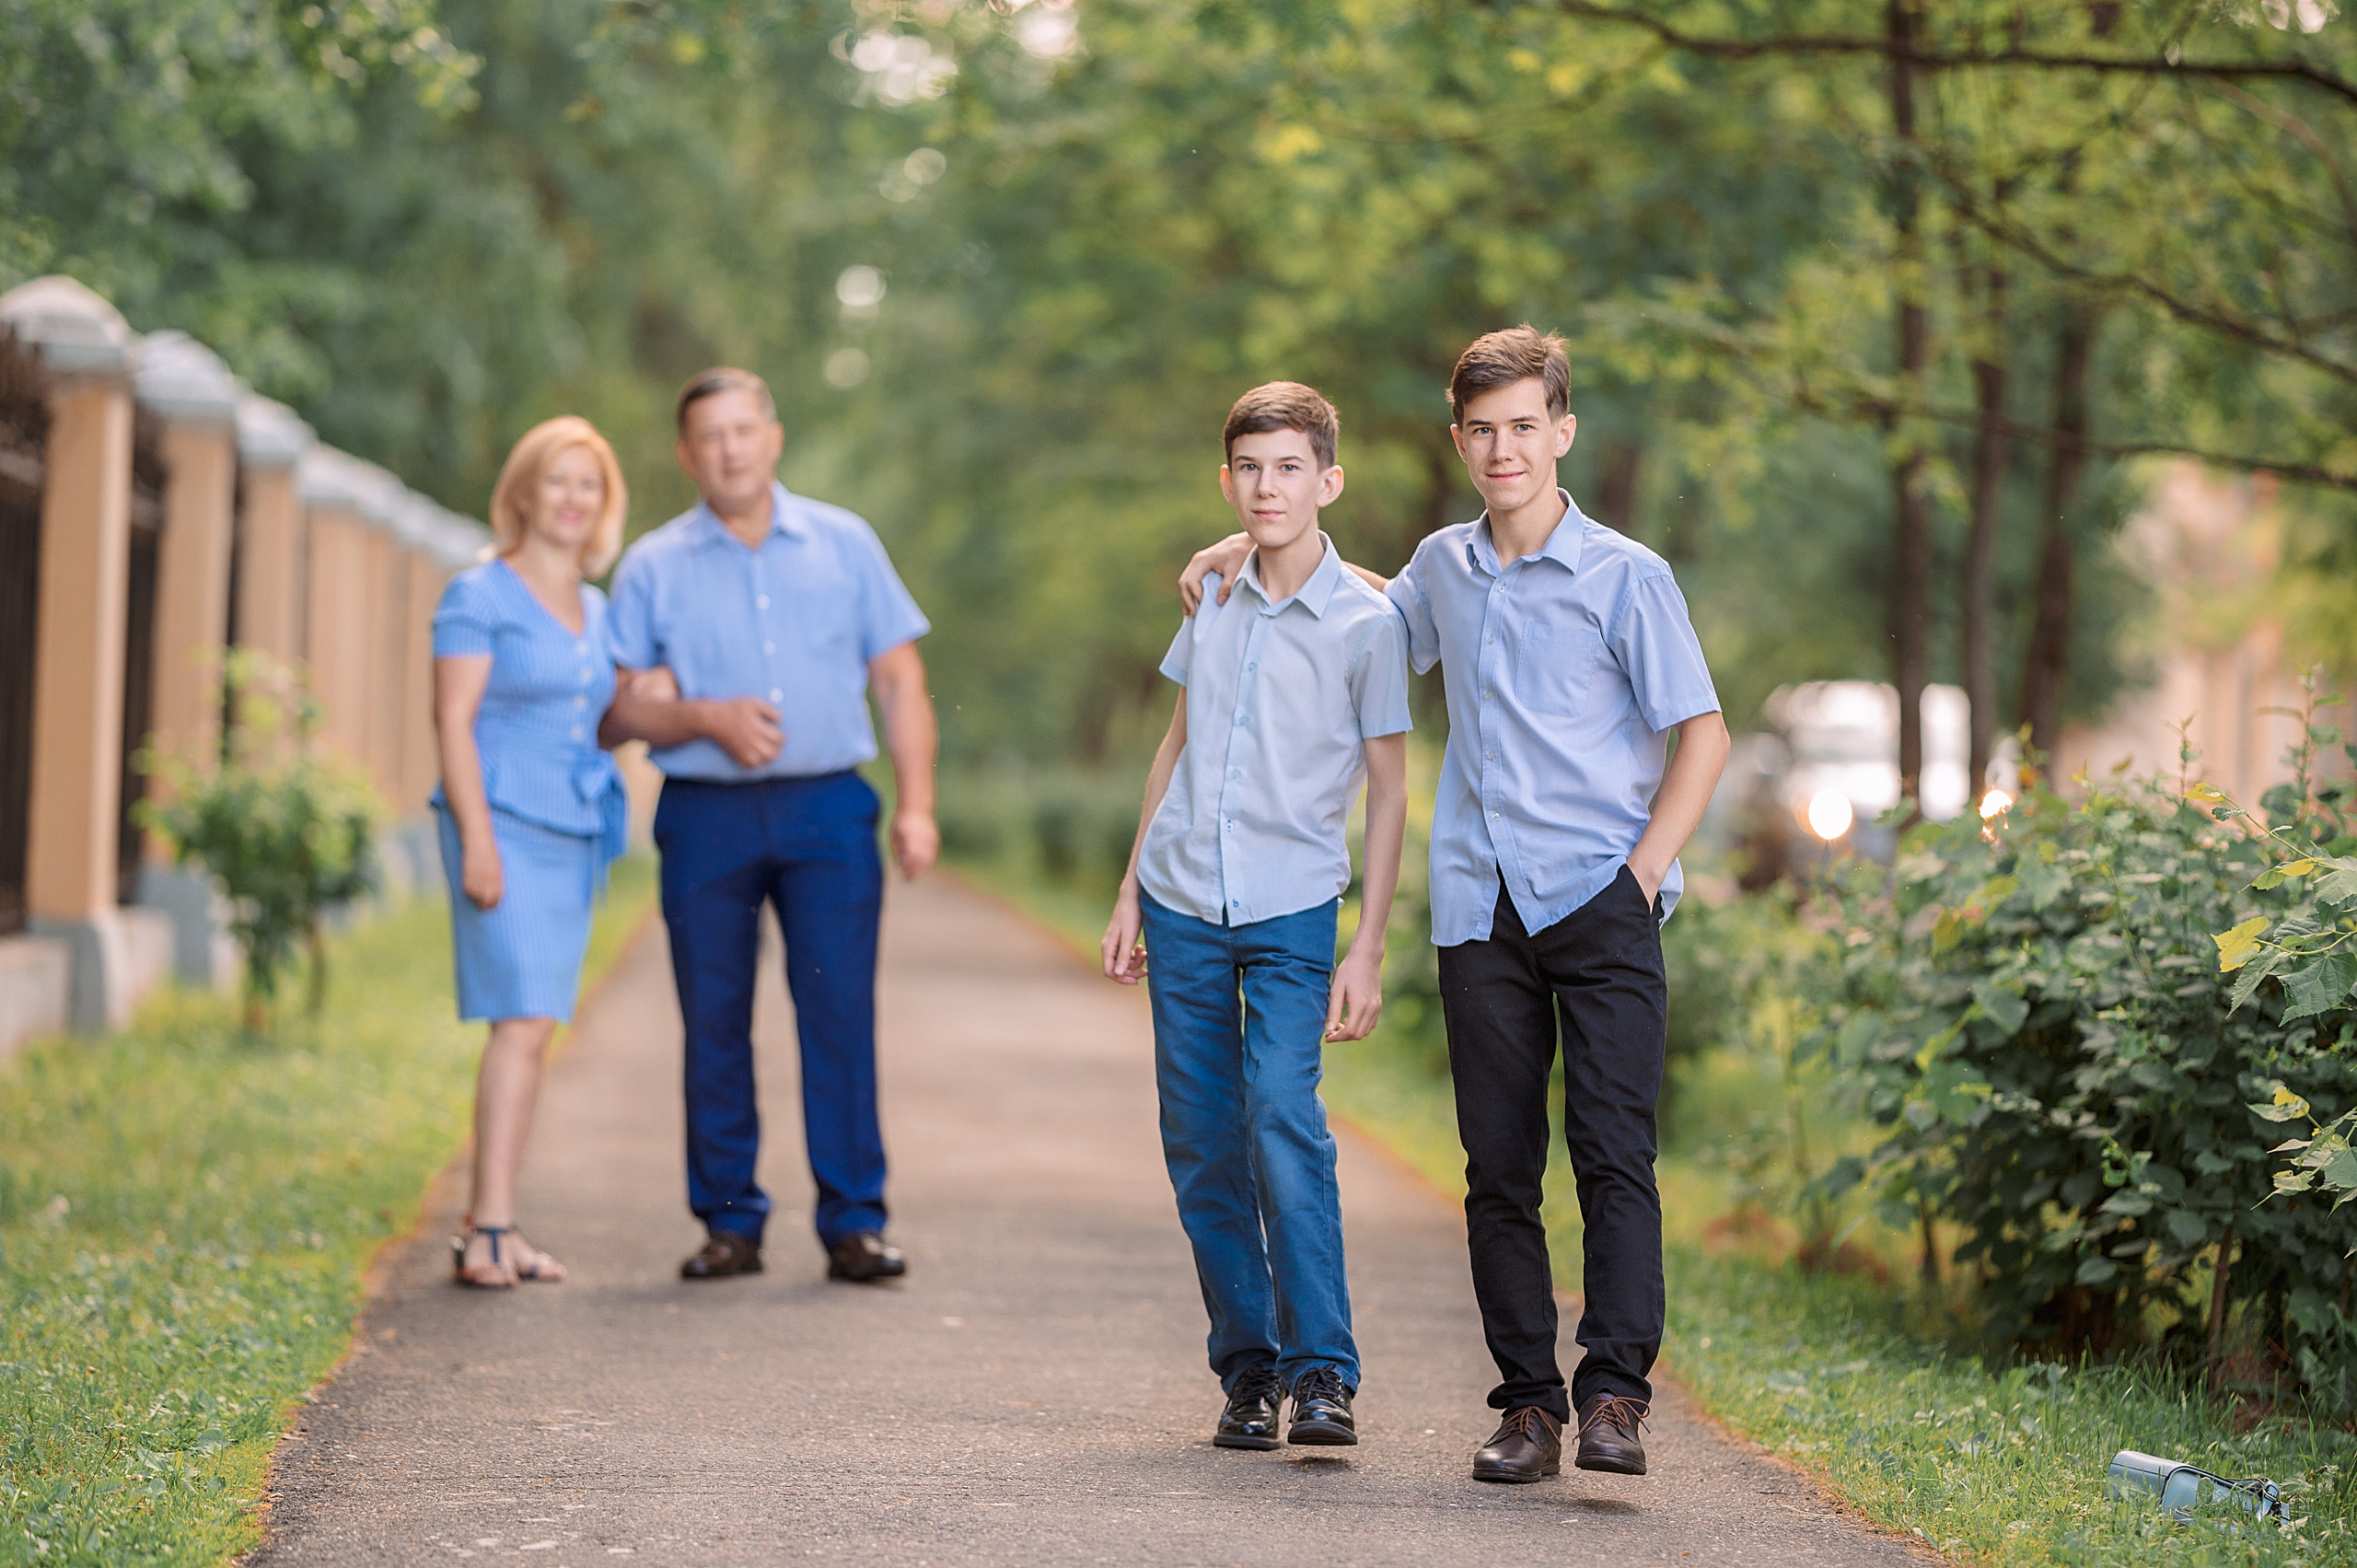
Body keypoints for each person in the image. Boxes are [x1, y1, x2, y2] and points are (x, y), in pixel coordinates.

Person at [1180, 327, 1730, 1481]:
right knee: (1497, 1170)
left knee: (1612, 1154)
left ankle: (1615, 1395)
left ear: (1561, 431)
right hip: (1480, 908)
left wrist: (1639, 878)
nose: (1502, 448)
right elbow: (1359, 606)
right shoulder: (1441, 567)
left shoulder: (1626, 574)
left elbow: (1703, 734)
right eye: (1482, 430)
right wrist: (1253, 535)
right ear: (1459, 439)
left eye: (1523, 425)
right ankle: (1528, 1406)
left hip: (1600, 900)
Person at [1104, 383, 1411, 1451]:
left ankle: (1322, 1371)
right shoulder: (1213, 598)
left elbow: (1390, 790)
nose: (1266, 486)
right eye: (1248, 468)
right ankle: (1248, 1370)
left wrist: (1367, 945)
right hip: (1184, 896)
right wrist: (1130, 885)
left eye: (1288, 467)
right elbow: (1175, 744)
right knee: (1200, 1141)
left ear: (1328, 480)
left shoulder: (1368, 624)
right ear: (1227, 480)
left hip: (1292, 905)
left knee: (1281, 1114)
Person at [600, 367, 938, 1285]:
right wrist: (701, 717)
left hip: (829, 809)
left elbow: (900, 678)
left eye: (743, 430)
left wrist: (915, 803)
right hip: (704, 814)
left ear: (773, 437)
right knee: (713, 1016)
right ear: (687, 454)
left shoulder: (845, 542)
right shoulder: (652, 565)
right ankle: (729, 1221)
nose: (730, 450)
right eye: (710, 436)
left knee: (838, 1010)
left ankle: (854, 1222)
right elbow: (613, 715)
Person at [432, 415, 633, 1289]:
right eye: (557, 479)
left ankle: (498, 1222)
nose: (573, 498)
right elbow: (452, 721)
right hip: (502, 824)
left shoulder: (599, 608)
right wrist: (478, 840)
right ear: (522, 493)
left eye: (589, 483)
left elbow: (606, 710)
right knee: (517, 1022)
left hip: (574, 831)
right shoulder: (477, 595)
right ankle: (487, 1231)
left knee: (537, 1025)